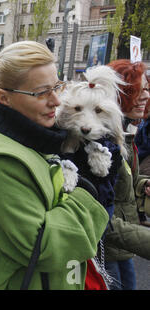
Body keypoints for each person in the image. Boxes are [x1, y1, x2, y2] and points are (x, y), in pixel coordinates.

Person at [0, 41, 109, 290]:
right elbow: (44, 247)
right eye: (41, 92)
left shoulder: (32, 140)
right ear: (4, 98)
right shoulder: (2, 162)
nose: (57, 101)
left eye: (57, 86)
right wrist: (86, 196)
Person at [103, 59, 150, 290]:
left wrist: (143, 184)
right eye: (138, 91)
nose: (145, 97)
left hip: (122, 247)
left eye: (146, 90)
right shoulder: (101, 140)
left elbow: (125, 181)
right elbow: (99, 215)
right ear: (119, 94)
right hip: (108, 249)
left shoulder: (123, 131)